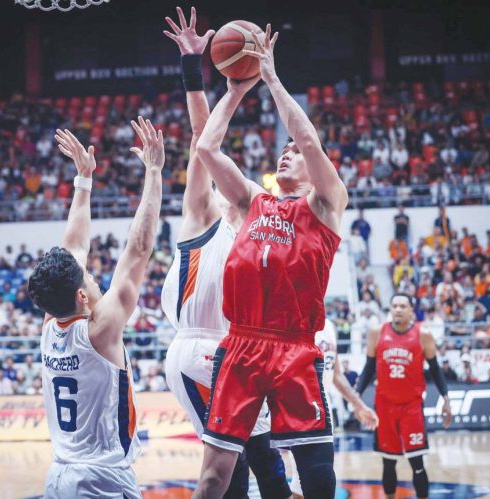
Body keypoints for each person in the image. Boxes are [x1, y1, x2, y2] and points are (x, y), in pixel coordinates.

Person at [193, 25, 348, 499]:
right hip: (240, 345)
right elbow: (206, 149)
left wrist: (272, 80)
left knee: (317, 478)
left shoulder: (326, 204)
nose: (288, 152)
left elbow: (308, 138)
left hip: (296, 349)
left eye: (295, 152)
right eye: (283, 150)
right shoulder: (253, 202)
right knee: (214, 477)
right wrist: (236, 91)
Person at [160, 8, 291, 498]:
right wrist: (199, 73)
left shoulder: (263, 235)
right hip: (198, 351)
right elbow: (203, 145)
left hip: (238, 352)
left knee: (265, 463)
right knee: (229, 472)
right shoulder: (204, 214)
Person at [27, 119, 164, 499]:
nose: (89, 274)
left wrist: (83, 182)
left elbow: (73, 249)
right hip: (100, 479)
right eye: (86, 278)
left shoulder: (50, 324)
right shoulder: (100, 331)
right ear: (82, 298)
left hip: (59, 474)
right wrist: (154, 173)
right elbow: (138, 251)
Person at [356, 294, 453, 499]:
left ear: (411, 311)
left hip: (411, 406)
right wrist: (356, 396)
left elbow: (435, 369)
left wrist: (446, 398)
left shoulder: (423, 335)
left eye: (403, 306)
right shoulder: (377, 333)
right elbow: (369, 368)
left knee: (417, 462)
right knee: (388, 461)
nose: (398, 309)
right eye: (394, 306)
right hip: (384, 406)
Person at [288, 319, 379, 497]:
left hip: (323, 405)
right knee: (312, 477)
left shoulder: (328, 325)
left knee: (307, 481)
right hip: (299, 406)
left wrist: (358, 404)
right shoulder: (293, 319)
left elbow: (335, 373)